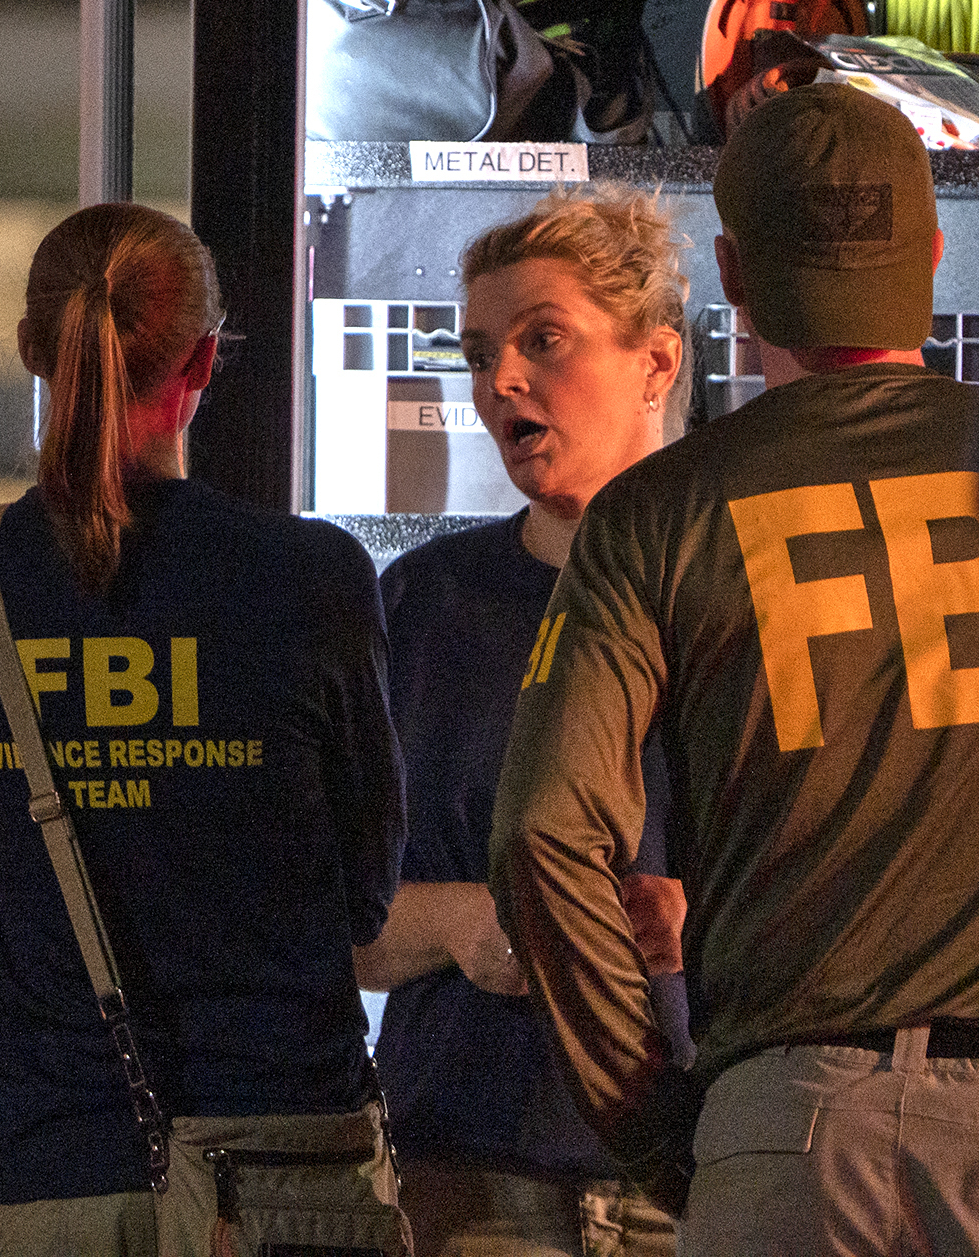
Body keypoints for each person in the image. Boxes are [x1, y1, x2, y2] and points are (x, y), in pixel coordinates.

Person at [491, 85, 979, 1257]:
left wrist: (660, 1121)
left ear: (733, 271)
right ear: (931, 253)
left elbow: (540, 834)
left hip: (786, 1128)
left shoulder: (655, 516)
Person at [0, 202, 406, 1254]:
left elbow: (10, 791)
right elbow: (365, 894)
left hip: (53, 1165)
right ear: (205, 361)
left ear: (35, 349)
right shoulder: (312, 579)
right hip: (281, 1154)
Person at [365, 190, 694, 1257]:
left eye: (543, 340)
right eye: (478, 352)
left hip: (701, 1170)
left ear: (657, 363)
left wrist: (705, 921)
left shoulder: (745, 591)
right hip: (470, 1177)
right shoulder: (421, 605)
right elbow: (332, 922)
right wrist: (464, 923)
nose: (500, 379)